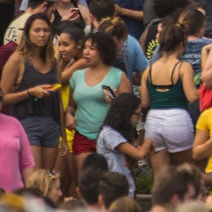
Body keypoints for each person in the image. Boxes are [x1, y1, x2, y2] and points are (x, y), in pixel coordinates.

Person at [0, 13, 60, 171]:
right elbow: (3, 97)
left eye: (46, 30)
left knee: (47, 178)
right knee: (34, 180)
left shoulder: (52, 60)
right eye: (37, 30)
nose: (42, 35)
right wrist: (29, 93)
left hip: (51, 122)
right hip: (26, 122)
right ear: (27, 33)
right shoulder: (17, 59)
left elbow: (59, 97)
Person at [140, 17, 199, 177]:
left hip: (154, 122)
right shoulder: (183, 67)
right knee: (186, 172)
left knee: (160, 176)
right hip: (177, 120)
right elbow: (192, 97)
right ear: (181, 45)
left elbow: (144, 103)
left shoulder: (149, 70)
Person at [66, 30, 131, 170]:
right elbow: (71, 106)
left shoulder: (118, 76)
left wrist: (116, 103)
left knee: (111, 181)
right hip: (82, 134)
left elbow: (130, 110)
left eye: (92, 49)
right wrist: (68, 115)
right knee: (85, 180)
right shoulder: (76, 76)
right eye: (85, 48)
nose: (86, 52)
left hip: (110, 137)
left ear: (103, 51)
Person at [96, 93, 153, 196]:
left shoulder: (118, 134)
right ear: (127, 113)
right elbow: (139, 154)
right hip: (114, 190)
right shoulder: (109, 133)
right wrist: (150, 139)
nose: (139, 118)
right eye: (137, 114)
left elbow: (132, 159)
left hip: (124, 188)